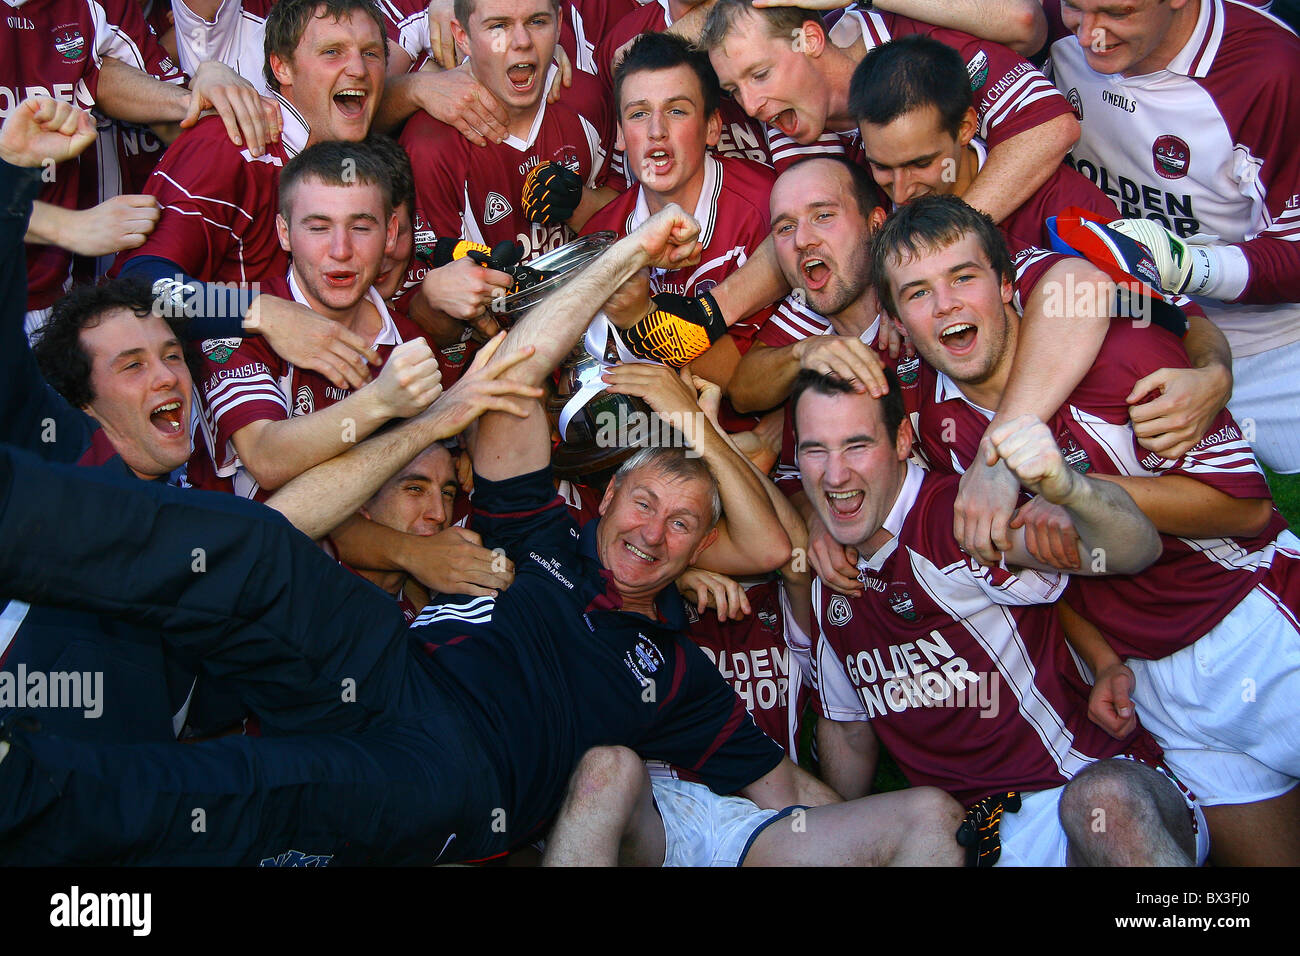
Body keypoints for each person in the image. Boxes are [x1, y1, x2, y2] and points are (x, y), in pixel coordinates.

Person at [0, 195, 834, 865]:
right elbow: (511, 371)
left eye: (683, 526)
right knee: (251, 551)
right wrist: (628, 253)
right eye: (645, 505)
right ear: (606, 498)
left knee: (249, 789)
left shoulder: (680, 672)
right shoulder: (537, 531)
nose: (654, 534)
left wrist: (696, 423)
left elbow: (786, 778)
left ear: (700, 550)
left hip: (453, 774)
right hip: (389, 666)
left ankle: (18, 795)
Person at [0, 95, 538, 747]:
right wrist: (11, 176)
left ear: (392, 232)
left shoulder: (186, 494)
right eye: (133, 367)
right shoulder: (80, 461)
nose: (170, 376)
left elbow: (270, 532)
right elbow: (270, 475)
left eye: (173, 355)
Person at [871, 193, 1300, 865]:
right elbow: (1042, 576)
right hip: (1155, 689)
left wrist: (1077, 494)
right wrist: (1100, 658)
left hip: (1255, 622)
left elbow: (1245, 509)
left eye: (963, 277)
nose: (946, 305)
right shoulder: (935, 422)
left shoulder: (1124, 357)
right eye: (918, 293)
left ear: (1009, 283)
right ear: (898, 320)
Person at [790, 366, 1206, 866]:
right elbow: (848, 732)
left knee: (1104, 804)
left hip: (1086, 792)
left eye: (856, 445)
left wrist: (1073, 492)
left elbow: (1133, 548)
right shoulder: (828, 581)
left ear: (902, 439)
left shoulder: (955, 519)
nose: (834, 475)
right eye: (815, 449)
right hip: (970, 841)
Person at [1044, 0, 1300, 473]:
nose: (1088, 35)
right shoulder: (1047, 29)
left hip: (1270, 344)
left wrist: (1185, 266)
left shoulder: (1271, 69)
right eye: (1075, 8)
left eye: (1116, 12)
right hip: (1125, 324)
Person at [115, 0, 391, 394]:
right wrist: (264, 313)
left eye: (371, 53)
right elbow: (145, 287)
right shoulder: (230, 147)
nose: (359, 69)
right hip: (217, 428)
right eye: (332, 52)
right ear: (282, 67)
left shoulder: (366, 164)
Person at [191, 140, 439, 501]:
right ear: (284, 233)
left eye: (361, 227)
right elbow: (265, 457)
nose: (341, 250)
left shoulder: (411, 342)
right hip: (246, 552)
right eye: (319, 227)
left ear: (390, 233)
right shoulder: (239, 325)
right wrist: (380, 401)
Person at [398, 0, 614, 349]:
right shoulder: (428, 147)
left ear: (560, 25)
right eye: (498, 26)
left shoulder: (588, 99)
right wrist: (451, 303)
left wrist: (581, 202)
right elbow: (422, 323)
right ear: (462, 37)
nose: (522, 41)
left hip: (594, 339)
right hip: (493, 362)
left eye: (537, 21)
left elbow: (631, 215)